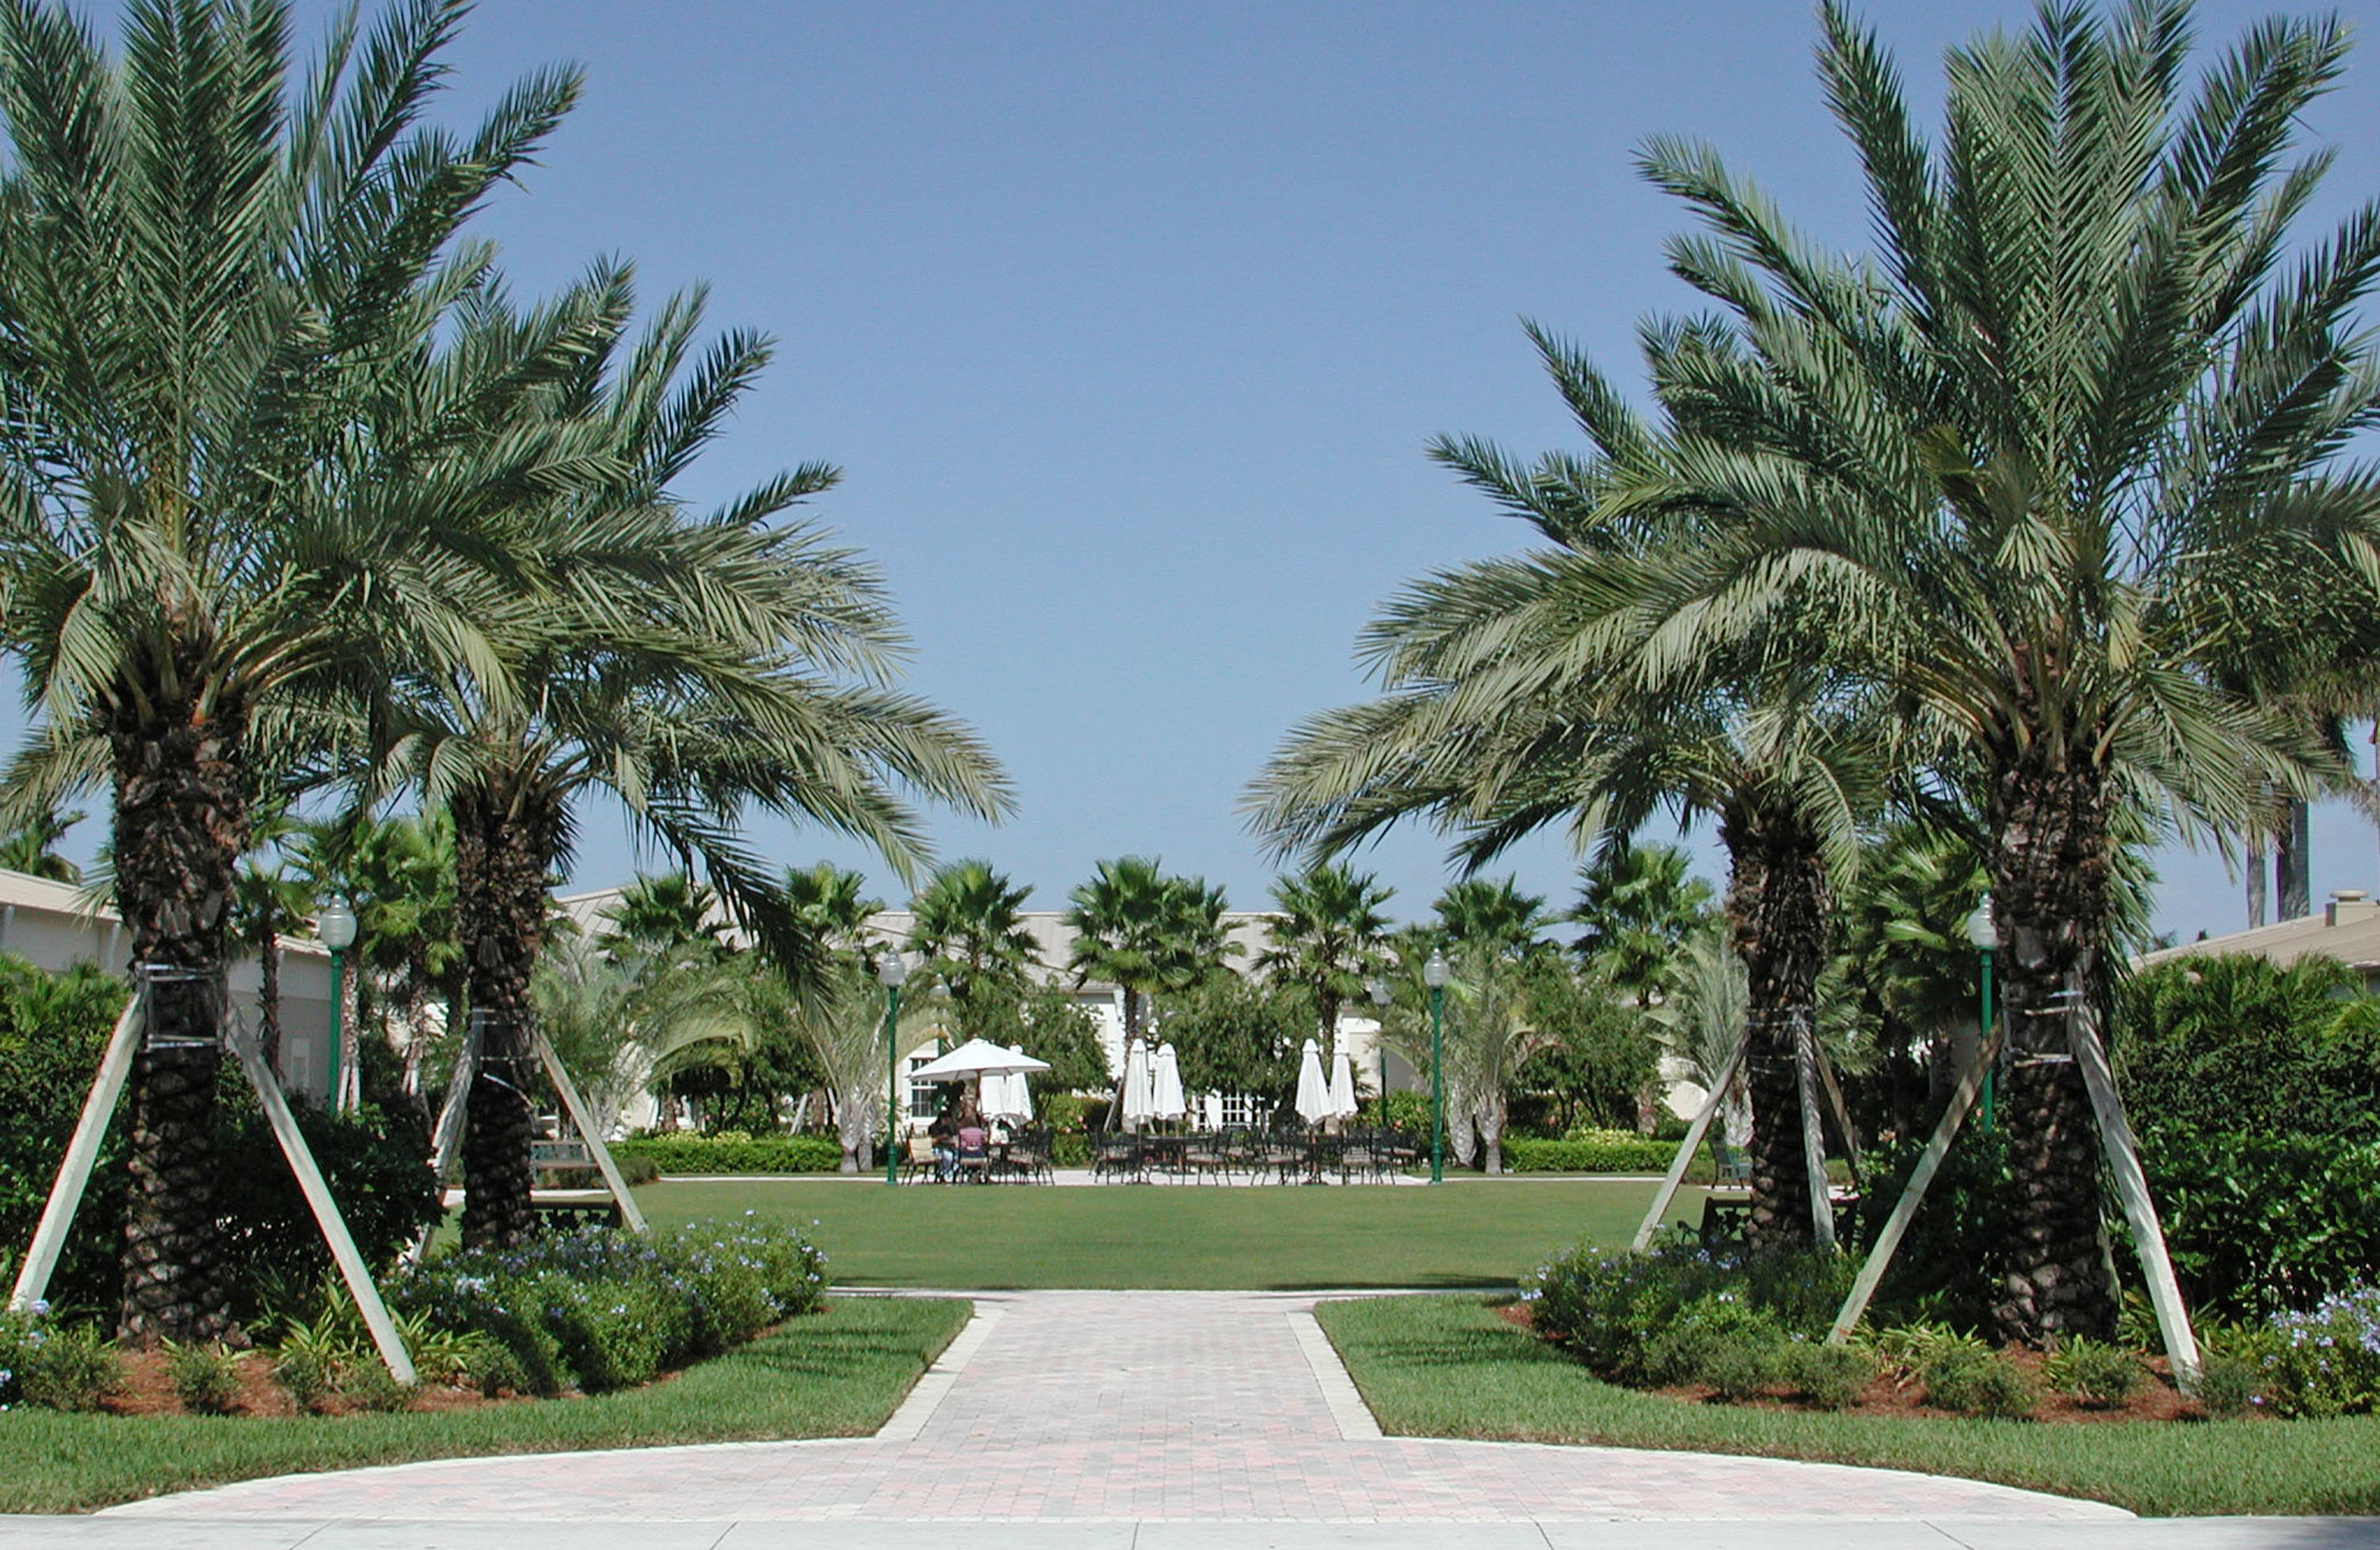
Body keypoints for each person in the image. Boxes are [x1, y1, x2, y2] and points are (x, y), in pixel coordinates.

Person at [928, 1095, 962, 1182]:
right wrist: (941, 1138)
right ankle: (946, 1174)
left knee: (958, 1155)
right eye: (945, 1118)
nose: (947, 1120)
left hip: (950, 1147)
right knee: (948, 1156)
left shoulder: (951, 1128)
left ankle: (953, 1173)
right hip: (938, 1148)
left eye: (948, 1118)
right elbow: (931, 1141)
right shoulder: (934, 1127)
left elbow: (954, 1137)